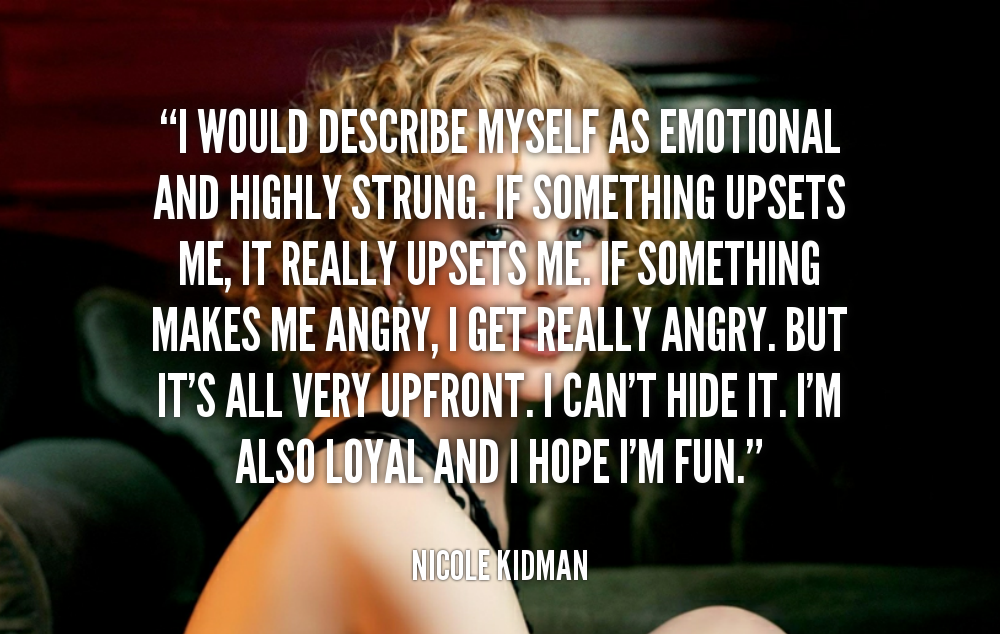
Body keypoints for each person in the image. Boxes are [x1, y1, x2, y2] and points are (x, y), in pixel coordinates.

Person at [185, 2, 785, 632]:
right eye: (494, 233)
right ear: (385, 257)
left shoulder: (434, 462)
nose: (551, 280)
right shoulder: (384, 499)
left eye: (581, 231)